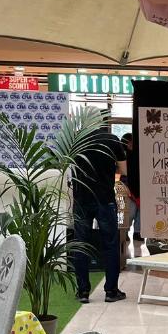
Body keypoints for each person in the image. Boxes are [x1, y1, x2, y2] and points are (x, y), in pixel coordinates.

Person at [70, 125, 127, 303]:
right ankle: (111, 291)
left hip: (82, 199)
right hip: (105, 200)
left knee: (81, 244)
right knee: (110, 244)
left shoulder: (77, 139)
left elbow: (70, 166)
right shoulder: (112, 140)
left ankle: (83, 291)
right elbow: (124, 171)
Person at [120, 132, 140, 240]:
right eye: (129, 142)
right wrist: (125, 186)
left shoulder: (140, 154)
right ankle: (125, 232)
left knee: (141, 212)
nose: (131, 145)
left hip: (141, 188)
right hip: (128, 188)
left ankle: (138, 232)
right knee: (130, 212)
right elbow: (123, 174)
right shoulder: (123, 156)